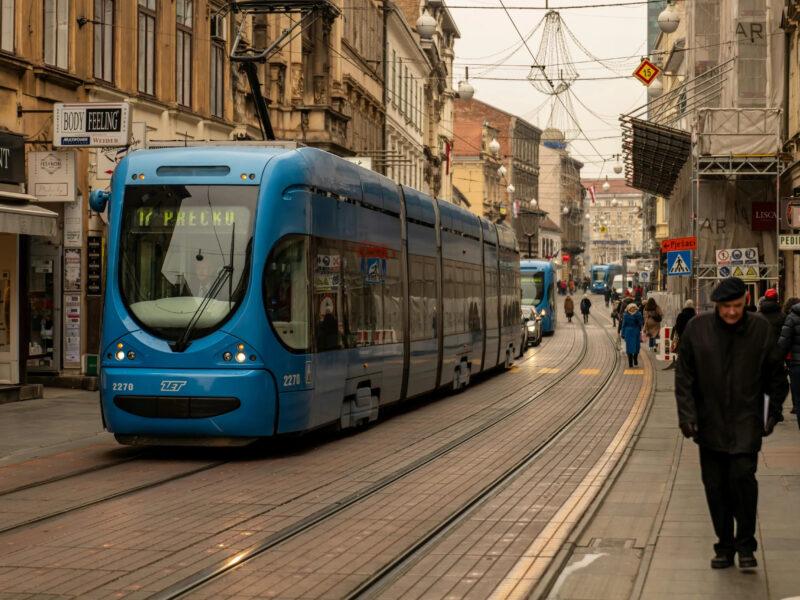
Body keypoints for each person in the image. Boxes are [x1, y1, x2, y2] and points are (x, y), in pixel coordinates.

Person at [676, 277, 788, 570]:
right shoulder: (697, 330)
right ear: (716, 305)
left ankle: (746, 544)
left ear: (745, 303)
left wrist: (772, 413)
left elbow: (776, 376)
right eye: (726, 307)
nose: (731, 312)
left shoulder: (760, 330)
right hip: (708, 425)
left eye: (737, 306)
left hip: (746, 424)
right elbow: (684, 377)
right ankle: (724, 545)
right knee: (715, 487)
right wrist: (687, 416)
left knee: (743, 482)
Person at [780, 297, 800, 415]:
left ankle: (795, 405)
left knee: (796, 390)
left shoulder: (790, 318)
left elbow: (784, 341)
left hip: (794, 360)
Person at [664, 299, 696, 370]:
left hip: (682, 337)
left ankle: (680, 365)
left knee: (681, 352)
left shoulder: (681, 315)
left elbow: (678, 327)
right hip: (691, 338)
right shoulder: (695, 316)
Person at [620, 303, 643, 367]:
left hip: (636, 332)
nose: (633, 309)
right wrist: (623, 334)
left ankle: (635, 358)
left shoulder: (638, 314)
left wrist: (637, 321)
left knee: (637, 347)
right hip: (628, 333)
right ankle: (630, 362)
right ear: (629, 309)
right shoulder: (626, 315)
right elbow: (623, 325)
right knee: (629, 348)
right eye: (631, 308)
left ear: (636, 308)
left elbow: (641, 323)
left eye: (634, 308)